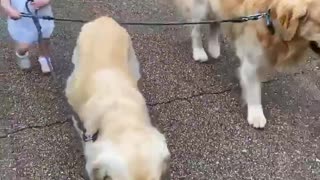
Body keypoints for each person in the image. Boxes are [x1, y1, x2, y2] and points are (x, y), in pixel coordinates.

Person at [1, 0, 55, 73]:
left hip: (42, 11)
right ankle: (21, 55)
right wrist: (9, 9)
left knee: (44, 38)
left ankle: (44, 58)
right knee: (23, 46)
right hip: (20, 15)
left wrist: (45, 1)